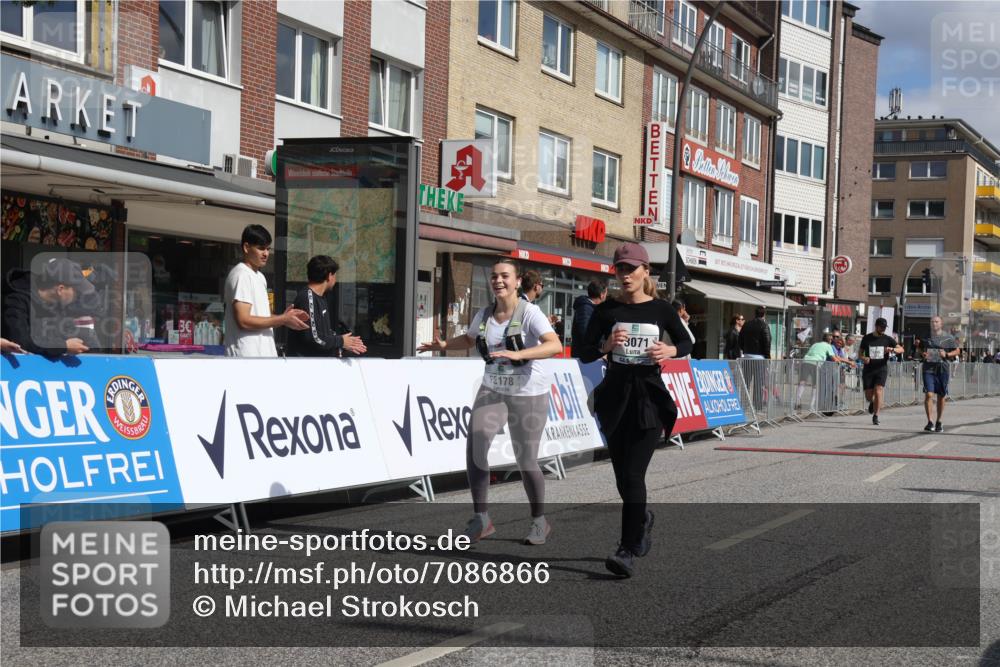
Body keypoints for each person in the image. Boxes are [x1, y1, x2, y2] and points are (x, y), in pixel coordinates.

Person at [418, 258, 562, 545]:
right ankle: (481, 519)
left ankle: (539, 521)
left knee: (525, 459)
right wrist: (445, 345)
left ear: (518, 281)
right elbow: (471, 340)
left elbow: (554, 345)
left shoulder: (530, 313)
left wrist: (518, 355)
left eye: (505, 276)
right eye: (494, 276)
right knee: (475, 446)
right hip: (493, 387)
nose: (498, 281)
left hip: (527, 391)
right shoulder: (484, 314)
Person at [577, 242, 692, 578]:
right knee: (621, 477)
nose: (625, 275)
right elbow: (583, 351)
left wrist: (669, 350)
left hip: (647, 399)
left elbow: (686, 342)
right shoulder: (606, 311)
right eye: (620, 269)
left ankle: (626, 549)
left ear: (645, 272)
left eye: (631, 268)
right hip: (614, 397)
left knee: (632, 475)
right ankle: (641, 519)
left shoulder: (661, 309)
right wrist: (605, 346)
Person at [224, 224, 309, 357]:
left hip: (263, 357)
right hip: (246, 357)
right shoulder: (242, 275)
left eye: (268, 249)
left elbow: (262, 318)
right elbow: (243, 320)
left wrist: (285, 318)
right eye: (261, 248)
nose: (266, 254)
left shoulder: (259, 276)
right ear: (246, 247)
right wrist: (282, 319)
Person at [2, 257, 97, 356]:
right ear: (61, 289)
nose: (78, 296)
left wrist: (86, 340)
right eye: (76, 292)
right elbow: (20, 341)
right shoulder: (16, 301)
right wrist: (63, 346)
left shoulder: (58, 306)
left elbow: (69, 333)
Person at [286, 256, 367, 358]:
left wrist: (343, 343)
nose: (336, 280)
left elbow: (323, 335)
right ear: (329, 276)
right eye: (335, 275)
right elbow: (313, 338)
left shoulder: (321, 298)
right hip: (305, 366)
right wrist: (340, 341)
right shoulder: (307, 297)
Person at [858, 318, 904, 426]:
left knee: (879, 390)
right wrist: (864, 358)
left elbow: (901, 349)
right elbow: (860, 354)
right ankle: (872, 402)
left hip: (881, 369)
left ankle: (876, 415)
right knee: (869, 396)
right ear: (876, 326)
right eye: (881, 327)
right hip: (869, 369)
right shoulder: (867, 338)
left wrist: (892, 349)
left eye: (884, 327)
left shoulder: (888, 339)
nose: (883, 329)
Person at [919, 315, 959, 432]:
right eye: (932, 322)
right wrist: (923, 354)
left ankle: (939, 421)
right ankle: (930, 422)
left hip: (942, 369)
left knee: (941, 396)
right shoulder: (925, 336)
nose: (934, 323)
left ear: (941, 324)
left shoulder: (948, 337)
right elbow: (920, 348)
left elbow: (957, 351)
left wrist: (946, 355)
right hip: (928, 369)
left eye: (936, 322)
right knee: (929, 395)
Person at [795, 332, 854, 410]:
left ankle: (797, 402)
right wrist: (843, 363)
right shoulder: (828, 346)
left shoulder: (815, 344)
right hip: (816, 363)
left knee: (802, 382)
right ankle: (812, 406)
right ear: (830, 340)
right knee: (815, 385)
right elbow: (835, 358)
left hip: (805, 361)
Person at [570, 279, 607, 358]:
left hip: (589, 356)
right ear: (602, 295)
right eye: (606, 294)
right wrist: (604, 345)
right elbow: (586, 334)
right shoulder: (585, 309)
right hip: (584, 358)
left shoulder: (592, 308)